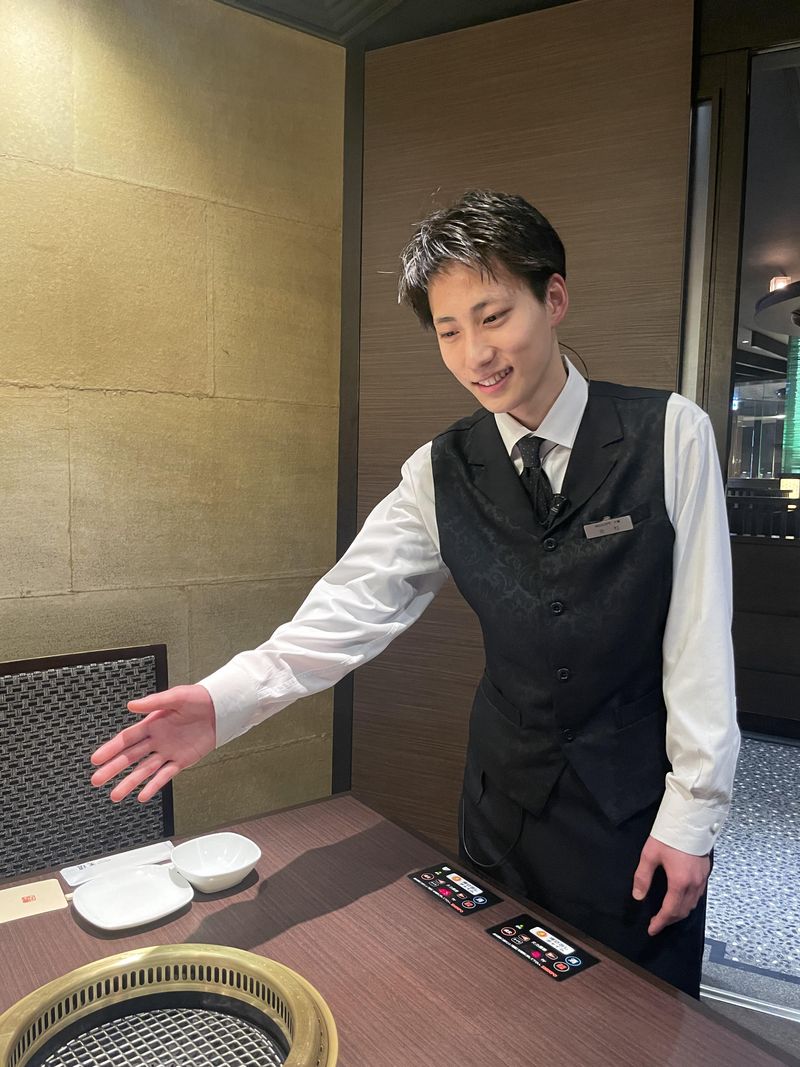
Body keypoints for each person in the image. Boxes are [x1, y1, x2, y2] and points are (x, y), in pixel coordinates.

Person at [91, 190, 740, 999]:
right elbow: (349, 606)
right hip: (502, 811)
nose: (476, 354)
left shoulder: (670, 434)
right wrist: (225, 702)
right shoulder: (440, 470)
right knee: (498, 1005)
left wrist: (693, 815)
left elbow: (700, 641)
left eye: (494, 316)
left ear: (554, 298)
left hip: (636, 818)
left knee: (635, 1023)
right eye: (448, 330)